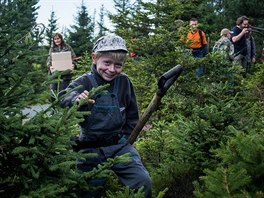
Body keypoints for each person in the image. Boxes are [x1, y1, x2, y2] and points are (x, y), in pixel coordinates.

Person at [59, 34, 152, 198]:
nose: (112, 69)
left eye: (118, 65)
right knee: (87, 192)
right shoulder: (85, 81)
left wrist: (126, 140)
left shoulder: (124, 82)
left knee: (142, 181)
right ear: (94, 58)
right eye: (107, 63)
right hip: (90, 149)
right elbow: (63, 97)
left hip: (119, 146)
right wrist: (75, 99)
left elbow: (132, 116)